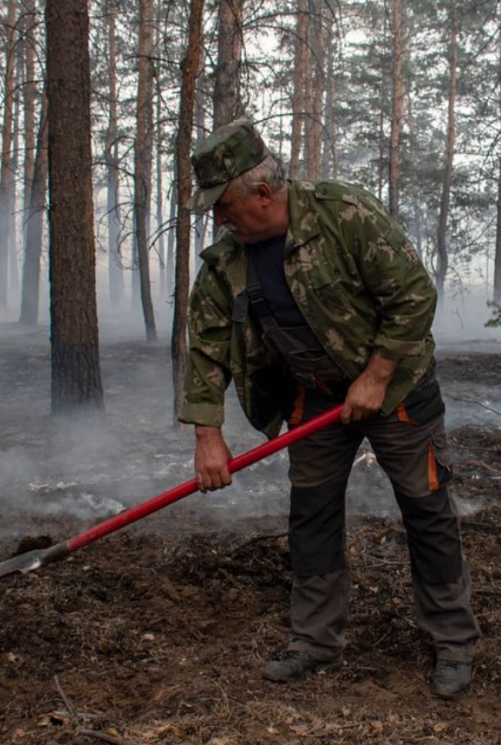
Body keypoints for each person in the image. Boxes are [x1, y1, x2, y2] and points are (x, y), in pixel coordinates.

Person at [178, 118, 479, 699]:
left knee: (426, 508)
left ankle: (453, 640)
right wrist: (206, 435)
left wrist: (377, 373)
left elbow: (414, 293)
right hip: (313, 394)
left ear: (262, 193)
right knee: (311, 514)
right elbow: (206, 346)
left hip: (398, 392)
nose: (218, 218)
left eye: (223, 205)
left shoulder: (344, 215)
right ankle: (315, 640)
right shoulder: (225, 264)